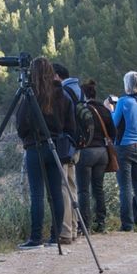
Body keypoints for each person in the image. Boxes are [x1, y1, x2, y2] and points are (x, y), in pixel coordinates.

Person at [16, 58, 75, 249]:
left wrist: (28, 138)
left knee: (37, 194)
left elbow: (21, 124)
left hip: (35, 147)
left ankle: (35, 238)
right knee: (56, 193)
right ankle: (55, 236)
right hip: (56, 147)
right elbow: (70, 126)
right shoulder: (63, 96)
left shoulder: (30, 95)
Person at [108, 71, 137, 233]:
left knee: (125, 187)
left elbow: (114, 122)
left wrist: (110, 109)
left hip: (124, 147)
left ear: (128, 84)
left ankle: (127, 224)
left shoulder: (123, 102)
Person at [75, 79, 116, 233]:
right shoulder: (104, 110)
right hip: (103, 153)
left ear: (83, 94)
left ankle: (84, 225)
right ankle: (101, 223)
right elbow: (113, 133)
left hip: (86, 153)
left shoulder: (82, 110)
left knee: (83, 190)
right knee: (98, 189)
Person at [53, 63, 81, 243]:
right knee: (72, 186)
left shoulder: (63, 92)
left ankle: (65, 231)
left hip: (64, 145)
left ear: (56, 76)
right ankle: (75, 228)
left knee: (63, 187)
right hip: (76, 144)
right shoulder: (78, 89)